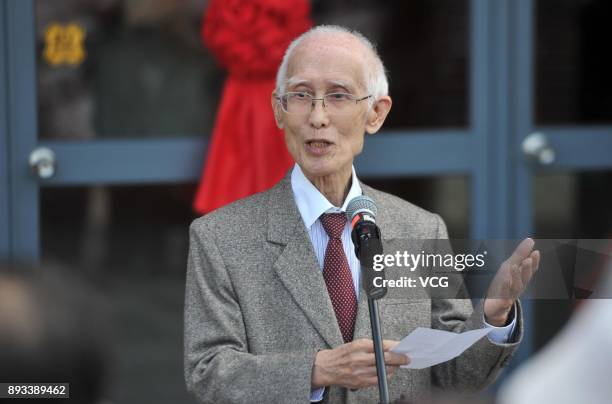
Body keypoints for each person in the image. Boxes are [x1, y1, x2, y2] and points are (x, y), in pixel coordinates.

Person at [184, 25, 540, 403]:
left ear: (375, 113)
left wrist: (493, 317)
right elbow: (208, 371)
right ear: (279, 110)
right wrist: (317, 370)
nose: (318, 117)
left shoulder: (420, 228)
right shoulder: (221, 238)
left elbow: (455, 374)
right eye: (302, 95)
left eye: (338, 96)